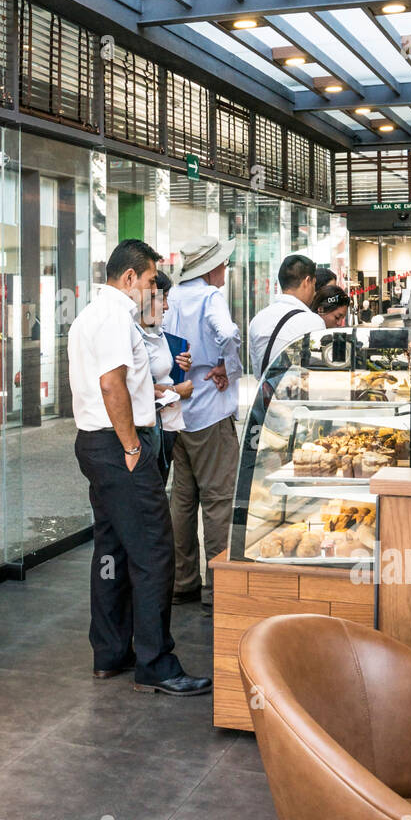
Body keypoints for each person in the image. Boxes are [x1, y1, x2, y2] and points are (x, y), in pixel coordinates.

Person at [68, 239, 211, 697]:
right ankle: (156, 663)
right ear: (129, 277)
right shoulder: (113, 316)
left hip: (96, 445)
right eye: (152, 280)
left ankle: (110, 653)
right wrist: (133, 446)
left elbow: (121, 382)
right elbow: (113, 385)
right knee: (153, 551)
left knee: (112, 548)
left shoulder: (92, 314)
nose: (155, 288)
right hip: (117, 447)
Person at [163, 236, 242, 614]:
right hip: (211, 409)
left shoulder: (174, 296)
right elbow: (227, 333)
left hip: (179, 407)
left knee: (182, 499)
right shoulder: (211, 298)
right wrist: (228, 364)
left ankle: (182, 582)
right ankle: (218, 587)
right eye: (223, 264)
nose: (225, 270)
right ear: (211, 268)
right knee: (218, 501)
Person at [136, 270, 193, 485]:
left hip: (167, 429)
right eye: (164, 299)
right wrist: (178, 392)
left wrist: (181, 363)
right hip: (150, 433)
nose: (167, 306)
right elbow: (139, 387)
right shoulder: (134, 338)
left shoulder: (157, 333)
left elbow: (163, 374)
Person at [248, 253, 326, 380]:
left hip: (268, 397)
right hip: (297, 396)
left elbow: (258, 374)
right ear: (307, 281)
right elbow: (317, 373)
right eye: (314, 284)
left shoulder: (258, 320)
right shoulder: (313, 322)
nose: (315, 291)